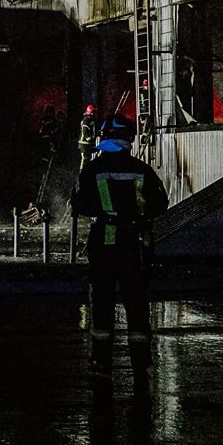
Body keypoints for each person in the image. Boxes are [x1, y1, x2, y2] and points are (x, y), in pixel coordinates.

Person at [71, 117, 169, 348]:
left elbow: (79, 203)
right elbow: (160, 203)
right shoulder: (142, 169)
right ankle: (141, 355)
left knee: (102, 296)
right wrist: (140, 216)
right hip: (134, 241)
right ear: (128, 140)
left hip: (103, 238)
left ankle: (101, 356)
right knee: (136, 296)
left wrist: (103, 209)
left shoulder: (92, 170)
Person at [78, 103, 102, 171]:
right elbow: (85, 130)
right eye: (94, 112)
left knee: (88, 160)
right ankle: (81, 175)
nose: (95, 114)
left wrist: (97, 133)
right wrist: (90, 139)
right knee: (85, 159)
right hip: (84, 144)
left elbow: (92, 131)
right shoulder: (86, 119)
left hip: (88, 144)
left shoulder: (91, 120)